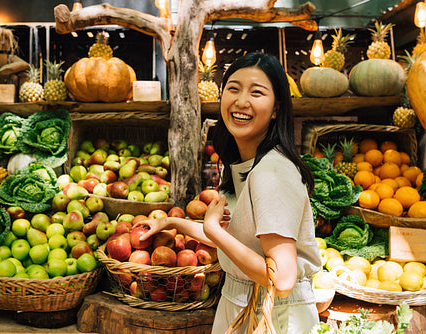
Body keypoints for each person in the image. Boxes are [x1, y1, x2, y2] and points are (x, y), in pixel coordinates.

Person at [136, 52, 321, 333]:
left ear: (275, 109)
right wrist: (171, 223)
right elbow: (237, 237)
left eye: (257, 92)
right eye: (233, 89)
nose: (241, 101)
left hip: (273, 315)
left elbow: (281, 280)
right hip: (246, 304)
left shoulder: (272, 172)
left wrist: (214, 229)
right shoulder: (245, 164)